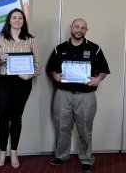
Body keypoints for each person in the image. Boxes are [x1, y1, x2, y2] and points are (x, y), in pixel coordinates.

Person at [46, 18, 110, 173]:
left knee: (85, 129)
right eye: (76, 27)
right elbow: (51, 69)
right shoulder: (59, 49)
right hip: (63, 95)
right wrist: (55, 76)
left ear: (86, 30)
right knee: (62, 127)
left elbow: (104, 70)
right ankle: (61, 156)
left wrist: (98, 79)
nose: (79, 30)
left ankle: (86, 159)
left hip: (86, 96)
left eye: (83, 28)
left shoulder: (95, 49)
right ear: (71, 28)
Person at [0, 8, 41, 168]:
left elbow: (38, 66)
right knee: (3, 117)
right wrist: (0, 59)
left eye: (20, 18)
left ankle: (14, 152)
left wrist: (30, 75)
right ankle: (2, 151)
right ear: (9, 20)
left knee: (16, 118)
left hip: (22, 83)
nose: (17, 20)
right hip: (2, 81)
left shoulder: (31, 40)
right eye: (14, 17)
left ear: (23, 21)